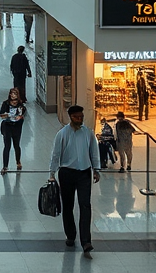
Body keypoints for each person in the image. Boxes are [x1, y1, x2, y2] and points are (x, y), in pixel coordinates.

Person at [49, 105, 101, 257]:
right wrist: (52, 173)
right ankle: (70, 235)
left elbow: (94, 150)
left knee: (85, 205)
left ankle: (86, 241)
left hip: (84, 173)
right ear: (70, 117)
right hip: (66, 173)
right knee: (68, 206)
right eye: (76, 117)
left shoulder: (88, 133)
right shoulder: (62, 134)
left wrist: (96, 169)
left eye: (81, 117)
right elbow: (56, 154)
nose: (80, 119)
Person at [0, 88, 26, 175]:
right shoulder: (5, 103)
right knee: (7, 146)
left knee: (16, 145)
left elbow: (23, 114)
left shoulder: (20, 105)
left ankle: (18, 161)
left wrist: (20, 117)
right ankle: (5, 166)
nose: (13, 95)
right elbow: (1, 114)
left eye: (15, 94)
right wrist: (6, 115)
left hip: (17, 127)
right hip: (7, 126)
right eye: (12, 94)